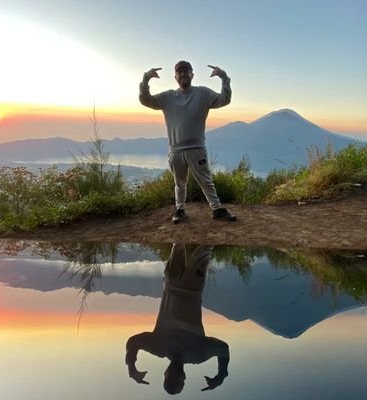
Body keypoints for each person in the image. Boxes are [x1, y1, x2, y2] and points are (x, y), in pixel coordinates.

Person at [139, 61, 237, 224]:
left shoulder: (203, 93)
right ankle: (180, 210)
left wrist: (224, 78)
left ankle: (217, 209)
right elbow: (146, 100)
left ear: (192, 74)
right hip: (176, 150)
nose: (183, 74)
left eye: (186, 71)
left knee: (206, 181)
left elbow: (224, 99)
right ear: (175, 77)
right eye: (180, 72)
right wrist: (145, 79)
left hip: (196, 148)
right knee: (179, 183)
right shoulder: (167, 97)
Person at [125, 243, 230, 394]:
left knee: (178, 238)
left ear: (165, 373)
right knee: (206, 244)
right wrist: (222, 373)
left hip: (171, 282)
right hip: (192, 286)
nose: (176, 376)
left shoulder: (159, 347)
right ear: (184, 378)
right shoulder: (198, 354)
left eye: (171, 379)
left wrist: (131, 366)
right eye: (179, 380)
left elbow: (133, 342)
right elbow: (223, 349)